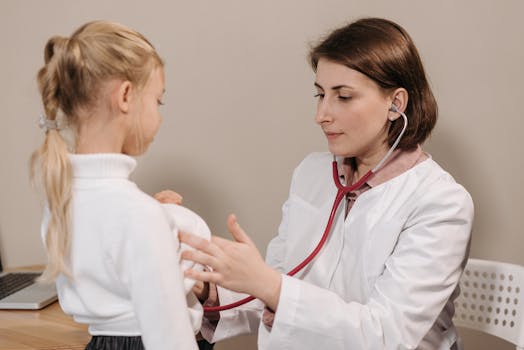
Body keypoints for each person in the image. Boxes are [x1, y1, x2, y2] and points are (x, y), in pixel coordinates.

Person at [178, 17, 474, 349]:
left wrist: (271, 285)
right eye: (320, 95)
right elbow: (276, 292)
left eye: (343, 97)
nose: (322, 114)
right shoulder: (311, 174)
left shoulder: (441, 203)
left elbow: (385, 335)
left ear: (396, 104)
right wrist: (209, 286)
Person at [30, 20, 210, 350]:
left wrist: (156, 219)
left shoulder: (60, 199)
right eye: (159, 101)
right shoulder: (139, 215)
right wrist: (154, 223)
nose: (160, 115)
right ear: (126, 96)